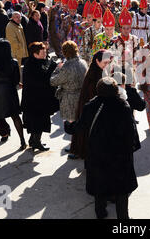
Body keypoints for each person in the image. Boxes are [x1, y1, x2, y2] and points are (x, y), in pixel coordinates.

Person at [79, 77, 140, 219]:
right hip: (120, 157)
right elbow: (131, 132)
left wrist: (68, 126)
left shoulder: (91, 106)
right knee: (121, 191)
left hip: (98, 155)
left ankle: (101, 212)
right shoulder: (123, 106)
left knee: (100, 186)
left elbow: (80, 126)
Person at [71, 49, 111, 160]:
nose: (106, 65)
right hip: (91, 110)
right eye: (105, 63)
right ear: (97, 61)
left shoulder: (100, 71)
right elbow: (93, 96)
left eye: (108, 62)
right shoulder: (94, 75)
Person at [21, 42, 59, 151]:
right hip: (35, 100)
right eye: (43, 52)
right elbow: (42, 79)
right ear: (35, 54)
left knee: (37, 121)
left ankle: (33, 140)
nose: (45, 53)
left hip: (40, 99)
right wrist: (52, 66)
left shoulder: (39, 61)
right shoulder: (31, 65)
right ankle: (36, 142)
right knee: (38, 121)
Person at [50, 41, 88, 126]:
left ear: (64, 52)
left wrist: (58, 69)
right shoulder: (83, 63)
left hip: (69, 100)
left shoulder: (66, 67)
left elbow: (53, 81)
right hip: (82, 96)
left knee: (72, 126)